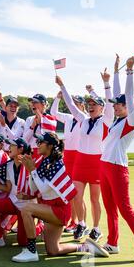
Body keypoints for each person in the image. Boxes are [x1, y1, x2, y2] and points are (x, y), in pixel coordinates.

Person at [11, 132, 109, 263]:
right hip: (50, 209)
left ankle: (31, 251)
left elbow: (44, 189)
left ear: (50, 146)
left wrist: (32, 170)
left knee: (26, 209)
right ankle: (86, 247)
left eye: (41, 142)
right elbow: (35, 188)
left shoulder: (56, 163)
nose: (38, 145)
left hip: (59, 210)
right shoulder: (43, 161)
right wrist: (30, 170)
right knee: (53, 250)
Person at [100, 56, 134, 263]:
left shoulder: (132, 120)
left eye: (118, 105)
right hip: (104, 166)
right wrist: (113, 74)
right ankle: (112, 243)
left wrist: (129, 71)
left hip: (117, 169)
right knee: (110, 207)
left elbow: (128, 96)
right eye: (115, 105)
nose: (114, 107)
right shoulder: (118, 120)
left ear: (127, 106)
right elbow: (118, 95)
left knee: (125, 209)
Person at [55, 70, 114, 242]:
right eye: (89, 104)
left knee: (95, 199)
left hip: (96, 162)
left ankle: (96, 228)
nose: (91, 106)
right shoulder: (83, 119)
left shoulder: (106, 120)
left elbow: (110, 104)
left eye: (94, 103)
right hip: (81, 161)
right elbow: (71, 105)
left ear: (101, 107)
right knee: (76, 196)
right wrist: (62, 86)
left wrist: (106, 83)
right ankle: (81, 224)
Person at [0, 138, 39, 249]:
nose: (9, 148)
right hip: (13, 201)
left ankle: (40, 227)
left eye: (12, 145)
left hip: (27, 206)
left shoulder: (30, 164)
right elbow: (8, 188)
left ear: (20, 149)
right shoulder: (9, 165)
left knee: (22, 242)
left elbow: (37, 189)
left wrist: (27, 196)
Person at [50, 91, 87, 233]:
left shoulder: (85, 119)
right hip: (67, 156)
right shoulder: (69, 117)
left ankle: (79, 222)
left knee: (77, 193)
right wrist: (57, 98)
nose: (76, 106)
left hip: (79, 156)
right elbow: (53, 112)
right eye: (74, 103)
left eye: (78, 103)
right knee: (68, 190)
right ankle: (72, 221)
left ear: (82, 105)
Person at [22, 94, 57, 159]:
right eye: (32, 102)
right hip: (30, 152)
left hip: (44, 153)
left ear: (43, 104)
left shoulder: (51, 119)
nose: (32, 104)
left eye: (35, 102)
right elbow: (25, 140)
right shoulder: (29, 119)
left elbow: (50, 139)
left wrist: (41, 121)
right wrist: (32, 126)